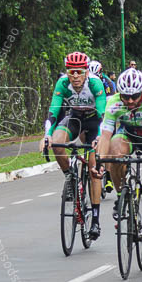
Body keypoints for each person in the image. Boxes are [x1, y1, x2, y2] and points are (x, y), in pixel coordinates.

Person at [93, 69, 142, 260]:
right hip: (128, 135)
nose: (131, 101)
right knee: (115, 152)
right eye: (126, 96)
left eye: (135, 96)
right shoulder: (113, 103)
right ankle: (121, 194)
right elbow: (106, 135)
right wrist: (100, 162)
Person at [40, 52, 107, 240]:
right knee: (57, 142)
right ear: (67, 72)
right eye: (71, 72)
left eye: (79, 72)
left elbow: (103, 114)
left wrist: (100, 137)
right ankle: (70, 177)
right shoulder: (62, 83)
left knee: (94, 168)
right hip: (75, 117)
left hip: (95, 121)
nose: (75, 76)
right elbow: (54, 111)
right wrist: (47, 135)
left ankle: (95, 220)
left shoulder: (95, 83)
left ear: (86, 71)